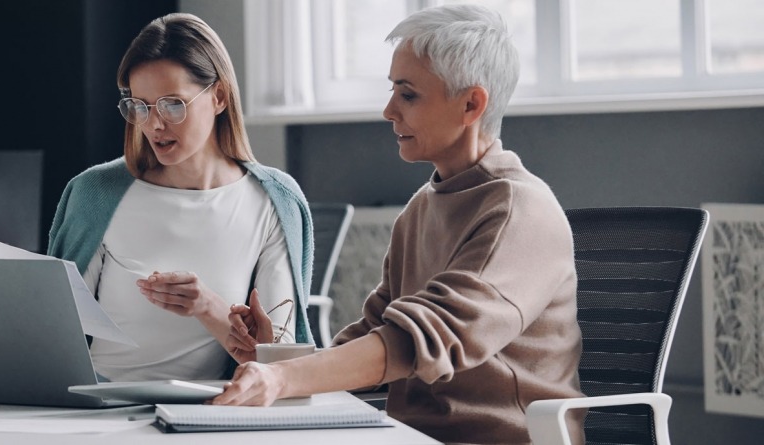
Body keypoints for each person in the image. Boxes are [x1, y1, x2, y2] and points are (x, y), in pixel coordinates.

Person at [216, 5, 584, 444]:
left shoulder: (518, 211)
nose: (389, 110)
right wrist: (275, 357)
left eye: (408, 95)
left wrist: (281, 378)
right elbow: (375, 340)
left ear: (471, 103)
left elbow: (413, 344)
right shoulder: (421, 209)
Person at [47, 12, 315, 382]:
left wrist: (207, 305)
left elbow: (277, 359)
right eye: (140, 106)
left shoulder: (273, 201)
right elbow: (54, 335)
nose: (154, 124)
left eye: (173, 104)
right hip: (100, 404)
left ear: (219, 97)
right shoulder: (97, 194)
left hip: (210, 410)